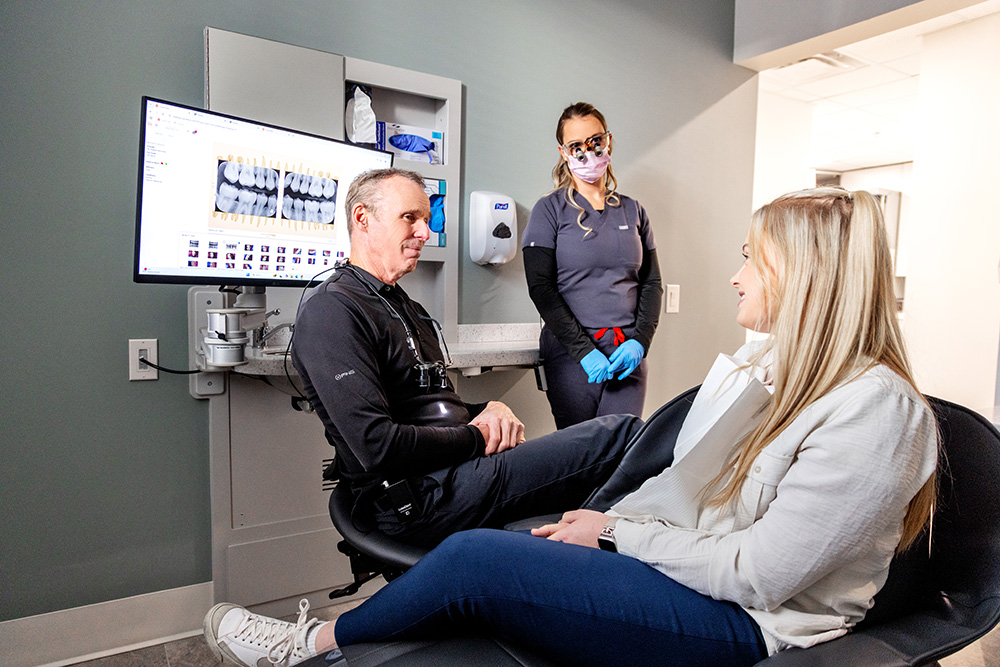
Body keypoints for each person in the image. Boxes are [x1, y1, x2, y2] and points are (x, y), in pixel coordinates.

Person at [204, 187, 939, 667]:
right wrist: (613, 523)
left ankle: (307, 644)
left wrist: (618, 532)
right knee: (566, 500)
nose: (736, 276)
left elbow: (761, 573)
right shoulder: (794, 376)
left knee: (477, 558)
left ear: (807, 276)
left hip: (748, 623)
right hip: (692, 573)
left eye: (753, 259)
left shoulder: (877, 408)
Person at [287, 168, 641, 550]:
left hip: (457, 474)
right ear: (362, 218)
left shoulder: (405, 307)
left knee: (600, 487)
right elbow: (377, 447)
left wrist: (487, 407)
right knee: (619, 435)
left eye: (426, 219)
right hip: (420, 500)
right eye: (410, 218)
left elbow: (429, 407)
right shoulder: (333, 310)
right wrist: (477, 436)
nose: (425, 232)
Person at [523, 102, 663, 429]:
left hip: (626, 354)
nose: (588, 151)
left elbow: (652, 283)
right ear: (563, 152)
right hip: (572, 356)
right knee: (581, 458)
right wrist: (585, 352)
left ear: (608, 140)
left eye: (595, 140)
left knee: (622, 448)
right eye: (576, 146)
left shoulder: (633, 211)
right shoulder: (549, 210)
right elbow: (541, 289)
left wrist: (640, 342)